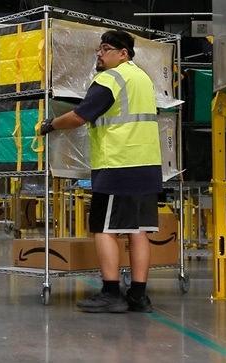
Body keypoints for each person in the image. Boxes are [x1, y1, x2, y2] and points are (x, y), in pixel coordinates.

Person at [39, 30, 162, 314]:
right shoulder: (143, 79)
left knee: (104, 229)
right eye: (99, 48)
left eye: (106, 49)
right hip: (147, 165)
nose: (99, 54)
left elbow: (81, 115)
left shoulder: (110, 79)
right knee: (138, 231)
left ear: (124, 53)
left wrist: (51, 124)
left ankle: (110, 292)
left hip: (118, 165)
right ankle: (138, 296)